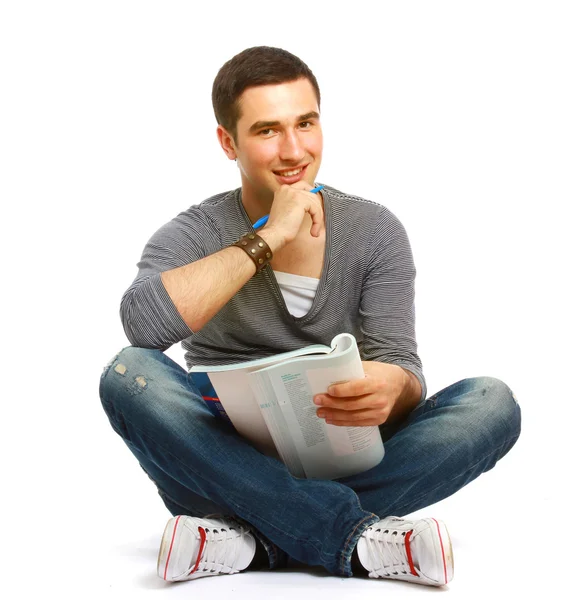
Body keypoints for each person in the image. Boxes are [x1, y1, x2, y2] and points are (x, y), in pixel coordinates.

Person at [99, 46, 521, 586]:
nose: (294, 149)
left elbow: (400, 363)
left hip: (344, 455)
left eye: (306, 123)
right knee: (127, 374)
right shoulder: (193, 232)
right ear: (228, 142)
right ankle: (358, 540)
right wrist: (268, 236)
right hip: (220, 463)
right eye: (268, 130)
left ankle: (246, 540)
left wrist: (394, 386)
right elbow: (144, 327)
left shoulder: (374, 229)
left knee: (492, 402)